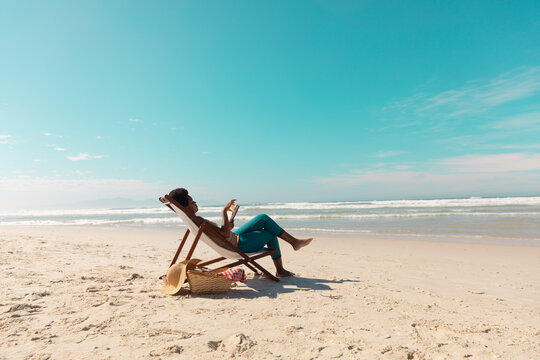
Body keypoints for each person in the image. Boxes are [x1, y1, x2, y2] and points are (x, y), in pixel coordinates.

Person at [169, 188, 312, 277]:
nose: (195, 203)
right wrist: (224, 212)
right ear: (185, 206)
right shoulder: (199, 221)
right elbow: (224, 235)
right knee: (270, 233)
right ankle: (284, 262)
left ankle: (294, 243)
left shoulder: (194, 220)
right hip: (236, 244)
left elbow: (222, 233)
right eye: (192, 201)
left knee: (262, 218)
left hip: (233, 238)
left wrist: (228, 224)